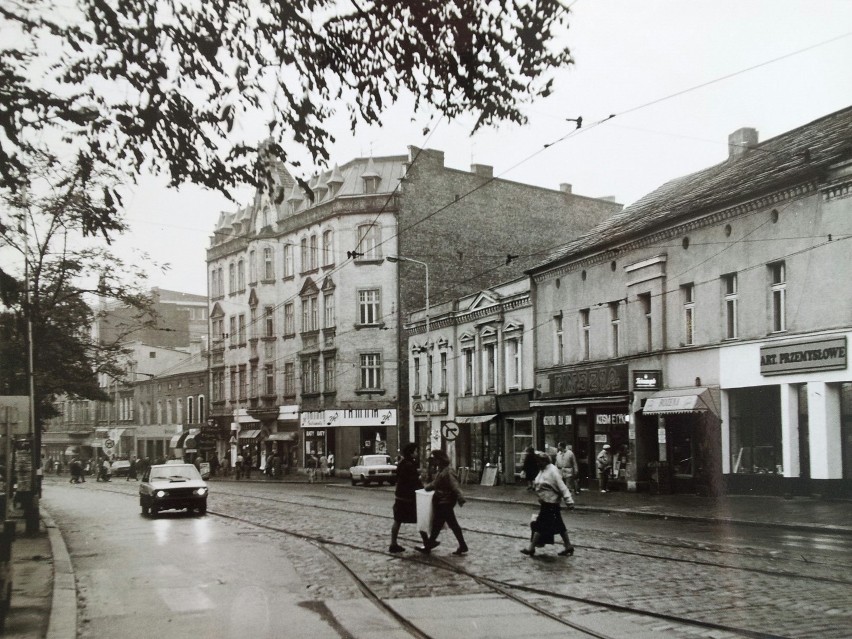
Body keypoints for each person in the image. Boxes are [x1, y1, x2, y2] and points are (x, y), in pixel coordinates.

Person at [521, 451, 575, 557]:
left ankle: (531, 548)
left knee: (540, 525)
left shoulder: (553, 471)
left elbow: (562, 487)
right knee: (559, 526)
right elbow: (539, 483)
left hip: (551, 502)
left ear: (545, 461)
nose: (537, 464)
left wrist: (569, 501)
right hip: (546, 502)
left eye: (539, 461)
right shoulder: (543, 470)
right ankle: (568, 546)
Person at [416, 450, 468, 556]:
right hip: (442, 501)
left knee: (445, 524)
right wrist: (428, 486)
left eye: (435, 459)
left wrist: (460, 498)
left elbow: (455, 486)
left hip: (446, 502)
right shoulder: (442, 470)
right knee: (441, 524)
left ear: (439, 459)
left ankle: (429, 546)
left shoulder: (447, 472)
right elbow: (435, 483)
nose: (433, 461)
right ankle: (430, 545)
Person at [389, 443, 424, 553]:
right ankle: (427, 542)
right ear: (411, 452)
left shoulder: (402, 463)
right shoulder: (410, 464)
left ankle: (393, 543)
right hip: (409, 497)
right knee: (420, 518)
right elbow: (413, 481)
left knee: (398, 520)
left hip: (400, 496)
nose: (417, 453)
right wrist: (422, 487)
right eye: (416, 451)